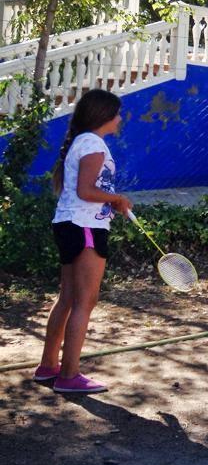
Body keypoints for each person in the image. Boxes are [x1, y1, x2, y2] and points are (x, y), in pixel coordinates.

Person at [35, 89, 133, 394]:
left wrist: (111, 201)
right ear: (103, 115)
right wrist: (116, 198)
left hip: (70, 223)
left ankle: (48, 367)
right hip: (86, 226)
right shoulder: (92, 144)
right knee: (84, 302)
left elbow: (85, 190)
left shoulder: (84, 142)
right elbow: (86, 191)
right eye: (116, 113)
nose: (119, 119)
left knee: (67, 299)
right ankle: (69, 375)